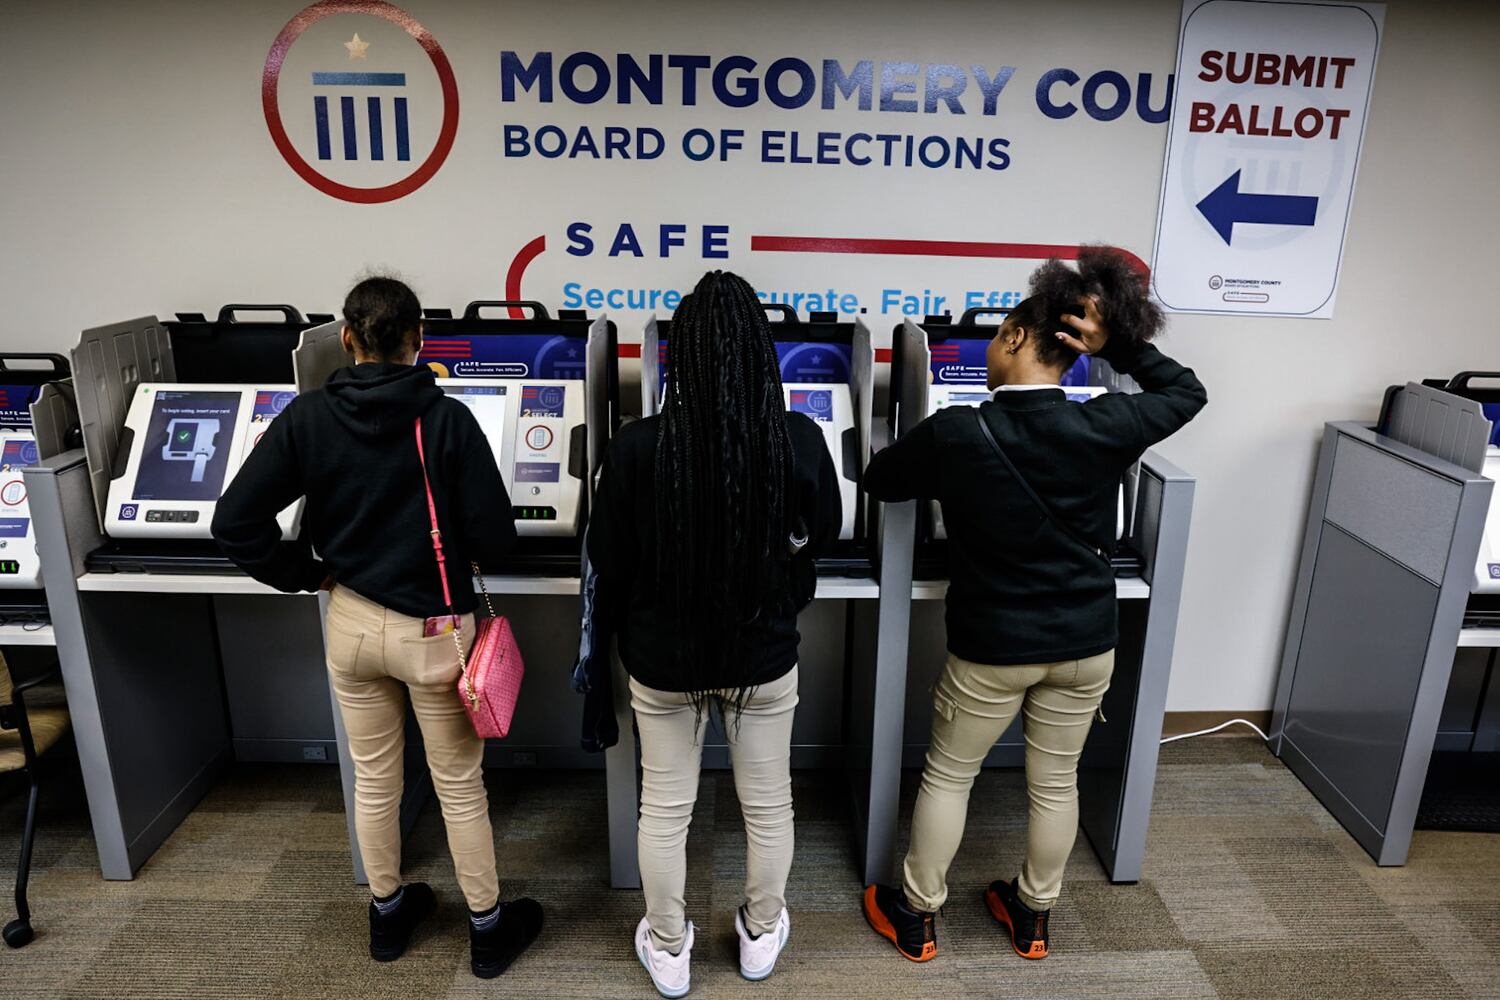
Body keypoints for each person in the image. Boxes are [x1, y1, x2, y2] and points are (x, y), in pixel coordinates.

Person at [860, 248, 1207, 963]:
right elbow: (1187, 394)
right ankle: (1033, 915)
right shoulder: (1109, 421)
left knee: (949, 775)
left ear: (1016, 338)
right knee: (1055, 782)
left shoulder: (959, 431)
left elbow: (880, 478)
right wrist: (1123, 347)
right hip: (1086, 643)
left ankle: (920, 916)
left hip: (993, 647)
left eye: (996, 337)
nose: (989, 351)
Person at [212, 275, 543, 979]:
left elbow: (233, 522)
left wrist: (310, 571)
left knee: (373, 779)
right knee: (458, 783)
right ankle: (487, 929)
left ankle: (388, 917)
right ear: (420, 341)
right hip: (434, 637)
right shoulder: (448, 420)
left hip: (353, 625)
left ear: (348, 340)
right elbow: (499, 539)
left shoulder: (307, 419)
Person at [578, 271, 841, 997]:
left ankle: (668, 948)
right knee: (769, 803)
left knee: (663, 810)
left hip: (664, 662)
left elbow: (608, 555)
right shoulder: (796, 437)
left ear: (678, 355)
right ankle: (760, 935)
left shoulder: (637, 448)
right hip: (761, 655)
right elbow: (823, 531)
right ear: (761, 351)